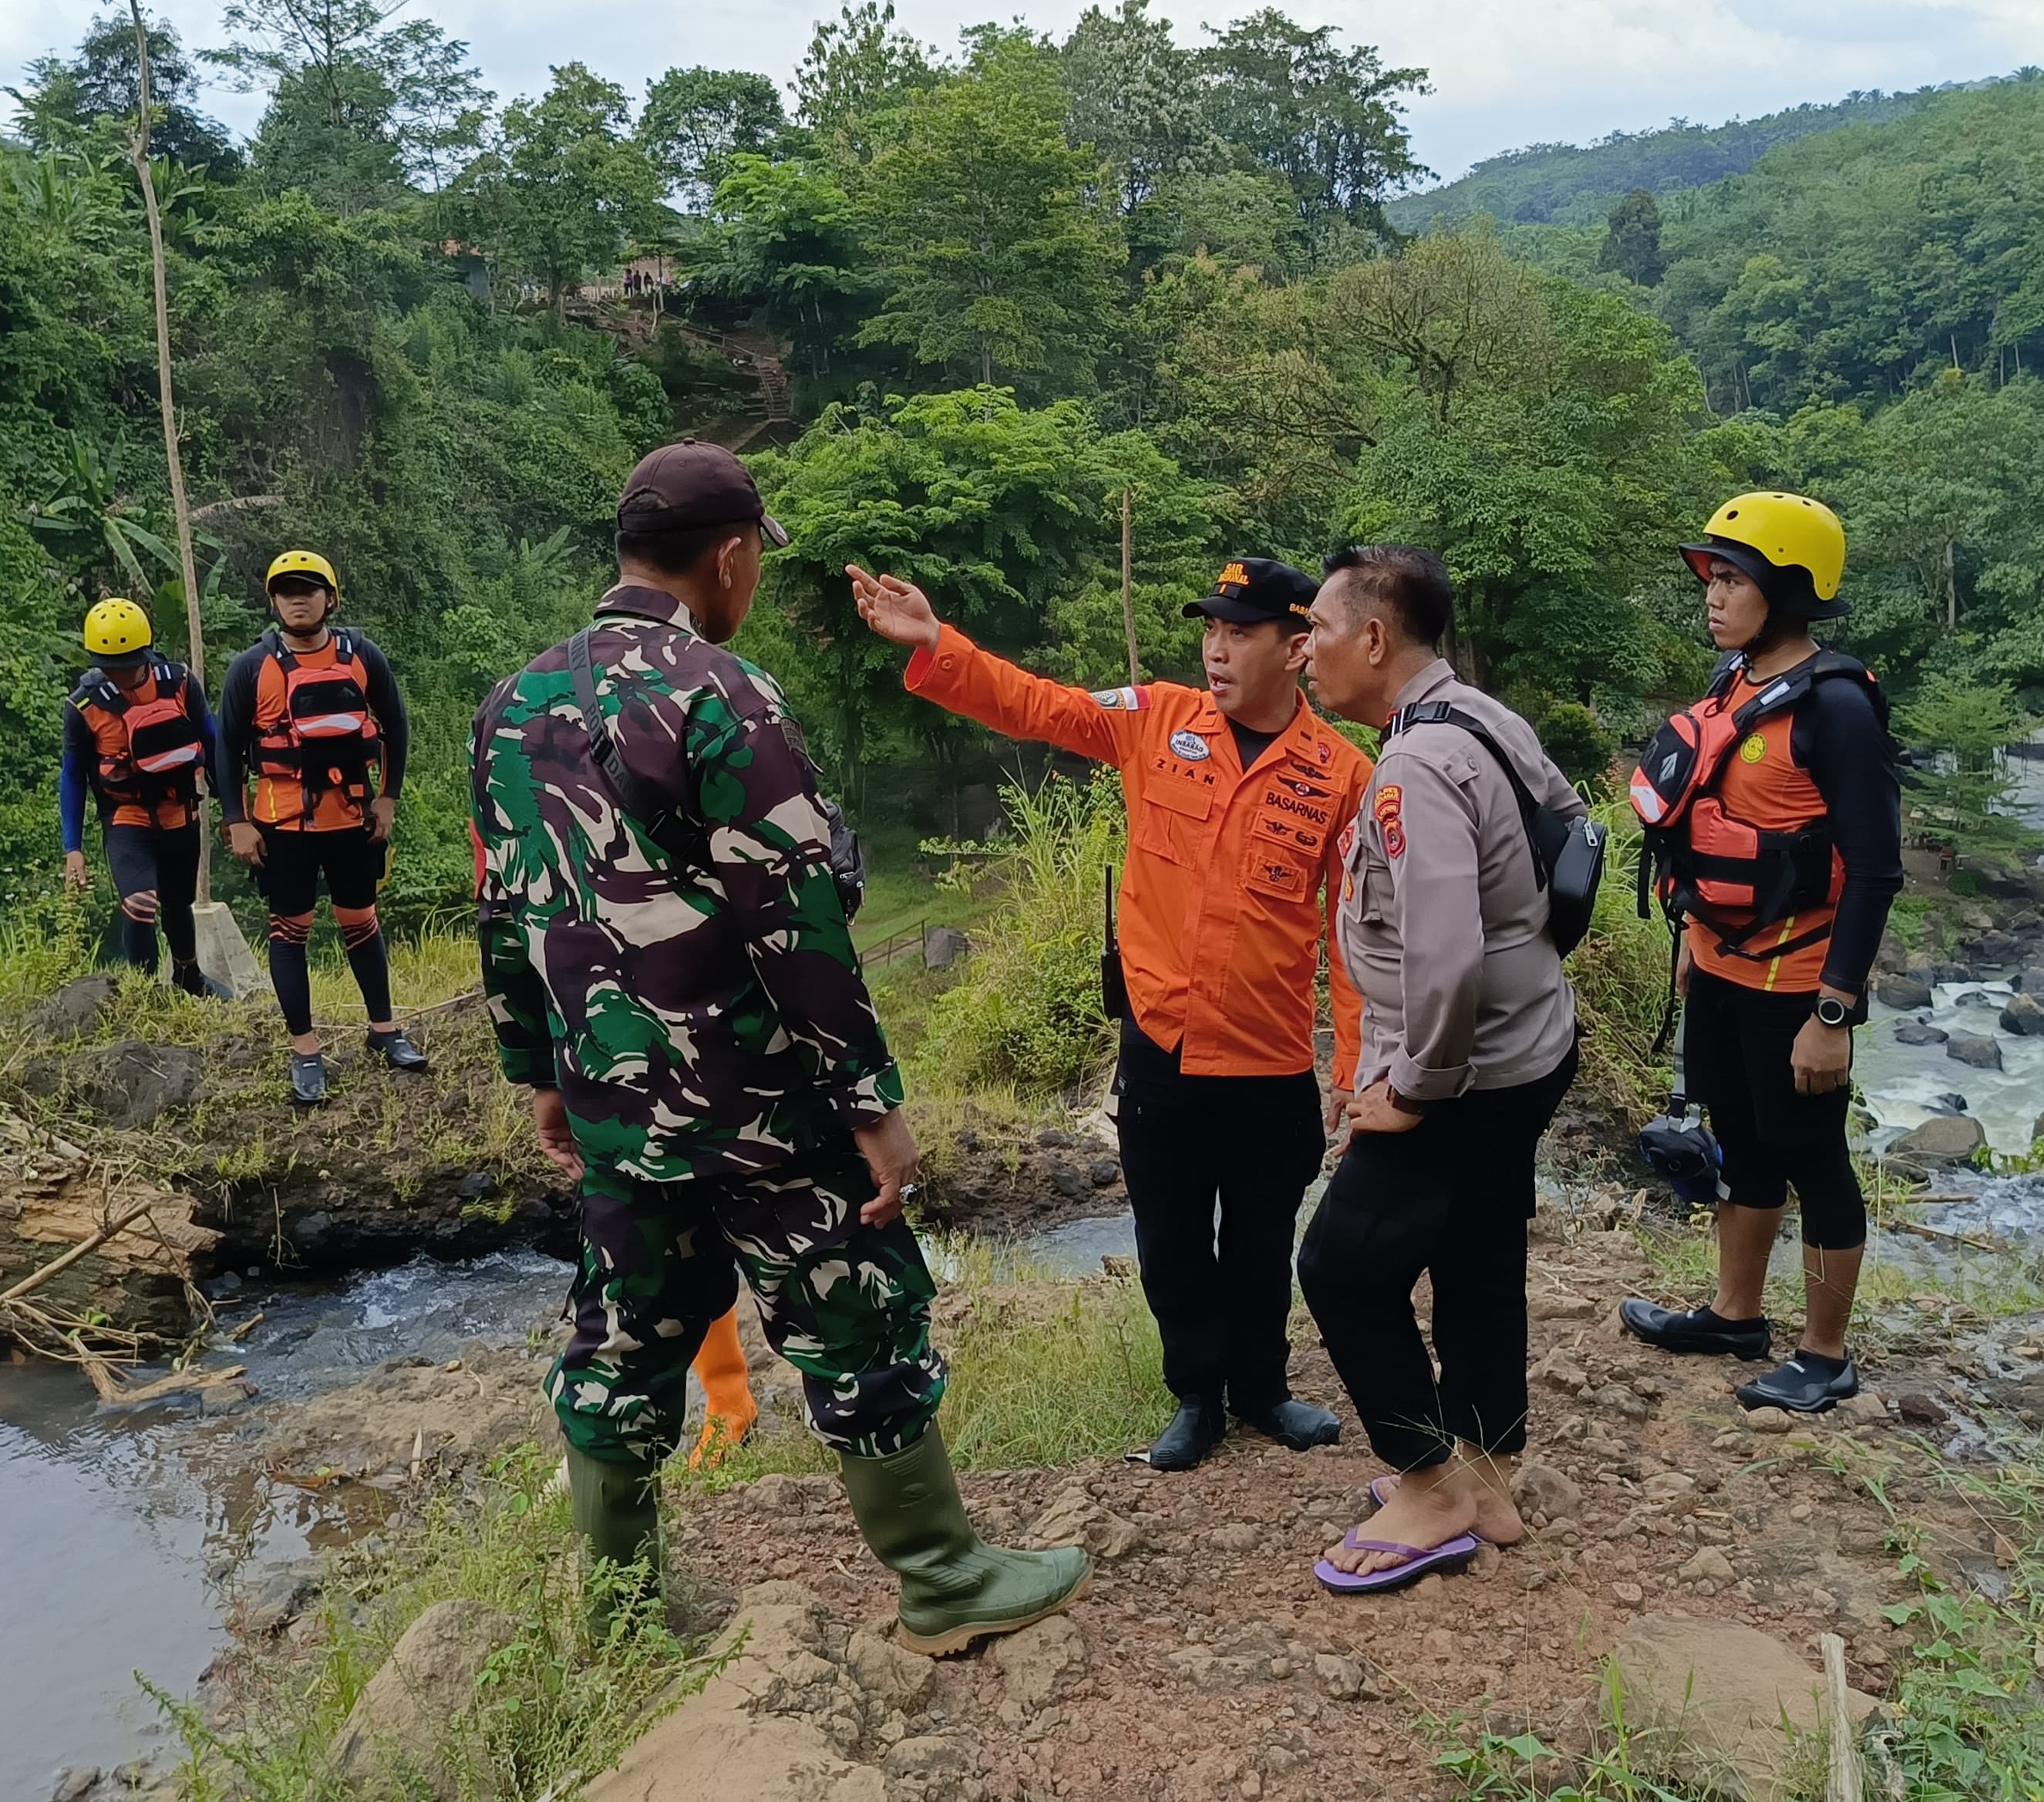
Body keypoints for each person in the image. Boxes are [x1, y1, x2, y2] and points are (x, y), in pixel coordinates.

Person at [473, 438, 1085, 1652]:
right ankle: (942, 1578)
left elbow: (507, 907)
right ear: (733, 557)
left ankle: (621, 1618)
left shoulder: (512, 703)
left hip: (614, 1099)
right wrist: (871, 1102)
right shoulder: (721, 693)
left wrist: (539, 1073)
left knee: (625, 1337)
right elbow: (794, 915)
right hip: (762, 1105)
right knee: (855, 1315)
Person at [849, 554, 1365, 1472]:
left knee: (1259, 1242)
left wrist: (1355, 1068)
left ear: (1295, 649)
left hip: (1270, 1060)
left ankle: (1265, 1390)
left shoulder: (1339, 775)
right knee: (1168, 1241)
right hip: (1161, 1050)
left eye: (1238, 634)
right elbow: (1042, 706)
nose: (1214, 649)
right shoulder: (1157, 719)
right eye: (1208, 629)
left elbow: (1356, 937)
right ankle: (1195, 1397)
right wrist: (938, 643)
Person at [1293, 544, 1585, 1593]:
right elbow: (1573, 843)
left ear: (1375, 638)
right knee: (1477, 1248)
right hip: (1531, 1042)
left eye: (1316, 632)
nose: (1302, 653)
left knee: (1340, 1264)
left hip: (1465, 1074)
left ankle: (1425, 1487)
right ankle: (1490, 1474)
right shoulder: (1483, 717)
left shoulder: (1413, 766)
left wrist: (1412, 1089)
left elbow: (1447, 957)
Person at [1618, 493, 1901, 1414]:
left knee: (1813, 1159)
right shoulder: (1733, 683)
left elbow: (1873, 871)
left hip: (1797, 982)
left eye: (1733, 579)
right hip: (1721, 965)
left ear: (1784, 590)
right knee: (1742, 1143)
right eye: (1713, 578)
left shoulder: (1835, 709)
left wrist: (1834, 1012)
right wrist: (1690, 941)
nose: (1713, 595)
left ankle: (1823, 1355)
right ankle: (1734, 1314)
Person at [217, 550, 425, 1106]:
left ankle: (384, 1031)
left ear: (330, 598)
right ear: (273, 601)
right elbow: (227, 746)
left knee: (361, 919)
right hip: (283, 824)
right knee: (292, 929)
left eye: (309, 589)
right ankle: (305, 1049)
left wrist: (389, 799)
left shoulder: (362, 655)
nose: (298, 598)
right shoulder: (250, 668)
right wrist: (236, 821)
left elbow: (395, 725)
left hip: (353, 817)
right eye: (287, 590)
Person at [62, 597, 217, 995]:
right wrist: (73, 848)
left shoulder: (179, 682)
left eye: (130, 665)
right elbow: (74, 777)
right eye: (112, 669)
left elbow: (212, 743)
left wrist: (237, 813)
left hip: (180, 812)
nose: (122, 675)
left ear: (146, 654)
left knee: (177, 905)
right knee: (140, 903)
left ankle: (189, 978)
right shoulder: (83, 707)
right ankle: (144, 991)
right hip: (126, 818)